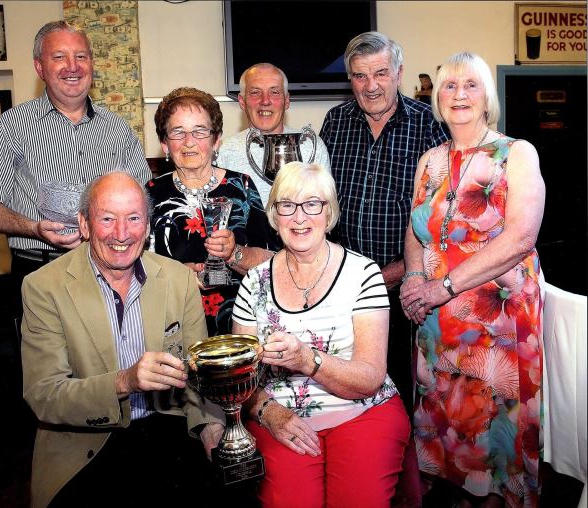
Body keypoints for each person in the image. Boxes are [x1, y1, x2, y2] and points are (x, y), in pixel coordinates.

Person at [21, 172, 225, 508]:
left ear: (147, 226)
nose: (121, 233)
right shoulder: (44, 287)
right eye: (107, 219)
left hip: (166, 429)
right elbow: (45, 395)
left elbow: (198, 378)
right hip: (86, 443)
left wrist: (209, 426)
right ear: (84, 224)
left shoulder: (178, 280)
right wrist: (124, 381)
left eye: (133, 218)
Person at [400, 52, 545, 508]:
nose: (459, 94)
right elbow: (416, 228)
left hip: (497, 321)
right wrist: (413, 277)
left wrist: (442, 287)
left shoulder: (516, 153)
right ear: (437, 99)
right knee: (449, 425)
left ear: (487, 98)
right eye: (449, 85)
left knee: (494, 429)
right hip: (436, 319)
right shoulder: (430, 161)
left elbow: (521, 237)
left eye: (470, 85)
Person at [232, 162, 410, 508]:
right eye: (287, 205)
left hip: (363, 412)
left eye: (312, 204)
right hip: (282, 418)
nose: (299, 217)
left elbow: (370, 378)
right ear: (274, 215)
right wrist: (268, 412)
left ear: (329, 213)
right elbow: (242, 379)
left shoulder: (363, 274)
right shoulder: (253, 283)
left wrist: (307, 359)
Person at [0, 20, 151, 298]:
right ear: (40, 67)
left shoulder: (118, 129)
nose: (72, 67)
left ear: (92, 64)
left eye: (81, 56)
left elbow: (146, 199)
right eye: (59, 57)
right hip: (40, 270)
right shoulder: (12, 127)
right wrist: (34, 229)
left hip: (114, 273)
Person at [320, 31, 449, 421]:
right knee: (346, 392)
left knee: (403, 393)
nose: (371, 85)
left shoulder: (429, 124)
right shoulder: (335, 123)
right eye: (360, 76)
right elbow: (320, 202)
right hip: (341, 291)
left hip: (404, 290)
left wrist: (400, 273)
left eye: (380, 73)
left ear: (399, 73)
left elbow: (444, 218)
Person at [147, 87, 278, 336]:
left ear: (216, 140)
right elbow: (137, 269)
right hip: (175, 325)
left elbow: (272, 264)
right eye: (178, 132)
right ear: (164, 143)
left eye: (200, 131)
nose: (189, 142)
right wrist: (180, 277)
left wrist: (234, 253)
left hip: (240, 323)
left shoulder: (241, 187)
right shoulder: (151, 194)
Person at [217, 63, 331, 206]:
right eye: (255, 92)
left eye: (274, 92)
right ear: (242, 102)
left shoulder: (312, 146)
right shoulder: (223, 151)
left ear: (286, 101)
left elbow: (326, 208)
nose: (265, 101)